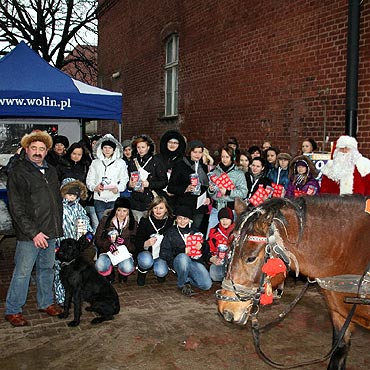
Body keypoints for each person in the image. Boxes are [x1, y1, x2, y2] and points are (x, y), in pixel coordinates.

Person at [5, 130, 63, 327]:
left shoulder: (52, 171)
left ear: (46, 151)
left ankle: (45, 302)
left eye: (42, 149)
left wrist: (57, 228)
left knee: (47, 269)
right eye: (34, 148)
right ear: (26, 149)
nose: (38, 152)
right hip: (30, 234)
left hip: (50, 231)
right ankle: (13, 309)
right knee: (23, 271)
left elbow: (56, 202)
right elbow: (17, 208)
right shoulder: (18, 172)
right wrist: (33, 233)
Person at [54, 178, 93, 305]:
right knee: (60, 272)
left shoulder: (79, 208)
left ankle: (75, 294)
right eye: (69, 194)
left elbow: (85, 220)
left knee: (74, 271)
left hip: (75, 245)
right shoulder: (58, 208)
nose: (71, 197)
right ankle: (62, 298)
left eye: (74, 195)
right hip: (61, 244)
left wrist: (87, 235)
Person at [159, 206, 212, 296]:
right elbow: (164, 253)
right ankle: (182, 284)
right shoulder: (171, 232)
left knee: (206, 285)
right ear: (176, 219)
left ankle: (187, 279)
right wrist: (182, 250)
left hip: (193, 262)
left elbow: (207, 249)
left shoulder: (195, 231)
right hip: (178, 262)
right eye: (179, 218)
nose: (182, 221)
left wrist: (202, 247)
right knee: (183, 257)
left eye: (185, 218)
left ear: (190, 220)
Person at [167, 140, 211, 232]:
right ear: (189, 152)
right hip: (184, 205)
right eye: (195, 152)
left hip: (199, 206)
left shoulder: (203, 166)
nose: (197, 155)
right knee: (182, 232)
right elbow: (170, 187)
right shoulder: (180, 165)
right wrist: (185, 189)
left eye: (200, 152)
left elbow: (205, 185)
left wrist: (207, 197)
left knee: (195, 231)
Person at [86, 134, 129, 221]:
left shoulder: (121, 163)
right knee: (102, 224)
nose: (107, 150)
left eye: (110, 148)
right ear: (101, 149)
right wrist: (95, 187)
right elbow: (90, 179)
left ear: (114, 149)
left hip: (114, 198)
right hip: (99, 199)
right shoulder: (95, 163)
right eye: (105, 147)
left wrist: (118, 188)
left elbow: (124, 179)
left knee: (113, 223)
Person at [127, 134, 168, 223]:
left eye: (143, 147)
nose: (140, 150)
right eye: (138, 147)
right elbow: (127, 181)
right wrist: (130, 185)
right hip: (136, 201)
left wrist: (149, 184)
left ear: (148, 147)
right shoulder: (132, 162)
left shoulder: (156, 162)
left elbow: (164, 182)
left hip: (151, 201)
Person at [207, 146, 247, 235]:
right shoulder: (214, 172)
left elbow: (244, 193)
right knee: (211, 235)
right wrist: (211, 190)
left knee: (230, 237)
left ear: (232, 158)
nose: (224, 159)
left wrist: (228, 192)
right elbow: (211, 193)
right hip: (216, 208)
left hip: (231, 210)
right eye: (222, 157)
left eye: (227, 157)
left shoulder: (238, 174)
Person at [94, 197, 136, 282]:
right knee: (100, 266)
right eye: (119, 210)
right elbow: (97, 240)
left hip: (124, 253)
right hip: (107, 252)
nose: (121, 214)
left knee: (127, 267)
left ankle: (122, 273)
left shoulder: (133, 223)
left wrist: (125, 243)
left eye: (124, 211)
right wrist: (108, 244)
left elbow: (134, 245)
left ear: (128, 211)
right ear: (115, 210)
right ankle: (109, 272)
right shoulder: (105, 220)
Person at [135, 196, 174, 286]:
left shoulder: (170, 221)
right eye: (155, 208)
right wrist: (146, 243)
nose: (158, 211)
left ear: (166, 209)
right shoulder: (145, 221)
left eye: (161, 208)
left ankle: (159, 268)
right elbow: (137, 242)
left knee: (161, 272)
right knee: (146, 261)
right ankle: (142, 271)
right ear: (151, 209)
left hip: (161, 253)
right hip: (146, 252)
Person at [206, 207, 234, 282]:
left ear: (231, 220)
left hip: (234, 261)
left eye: (227, 219)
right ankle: (228, 280)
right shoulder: (214, 231)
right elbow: (209, 246)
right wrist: (212, 258)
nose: (224, 221)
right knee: (214, 275)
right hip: (220, 260)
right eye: (222, 219)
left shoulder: (237, 231)